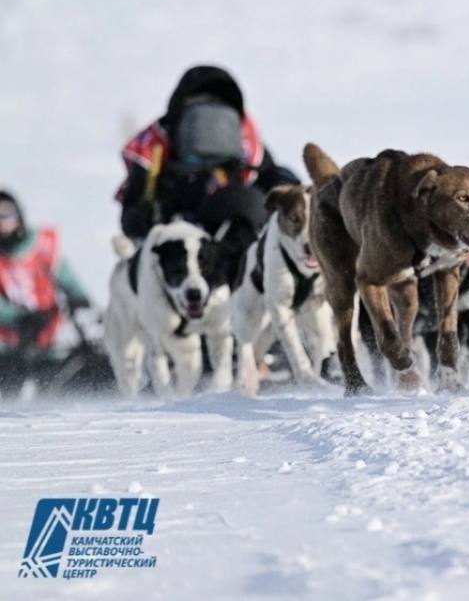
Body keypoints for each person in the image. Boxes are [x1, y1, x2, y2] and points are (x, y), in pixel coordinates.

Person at [116, 65, 299, 244]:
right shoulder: (246, 138)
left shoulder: (156, 140)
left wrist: (148, 216)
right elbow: (269, 172)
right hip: (241, 215)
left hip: (180, 223)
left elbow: (132, 213)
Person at [0, 190, 94, 395]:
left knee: (81, 368)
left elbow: (67, 279)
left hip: (50, 334)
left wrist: (80, 302)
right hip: (8, 343)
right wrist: (19, 318)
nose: (3, 222)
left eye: (7, 214)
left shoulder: (41, 247)